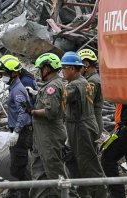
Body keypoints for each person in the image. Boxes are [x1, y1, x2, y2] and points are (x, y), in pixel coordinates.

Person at [29, 53, 76, 198]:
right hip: (42, 136)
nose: (39, 71)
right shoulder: (52, 85)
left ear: (48, 68)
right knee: (39, 171)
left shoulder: (53, 86)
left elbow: (51, 112)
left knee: (55, 172)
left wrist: (31, 111)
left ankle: (69, 196)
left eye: (41, 68)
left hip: (50, 136)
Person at [62, 51, 108, 198]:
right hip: (81, 125)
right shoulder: (85, 81)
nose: (62, 71)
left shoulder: (81, 84)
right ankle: (85, 193)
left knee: (88, 164)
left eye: (64, 68)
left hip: (82, 126)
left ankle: (99, 195)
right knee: (74, 160)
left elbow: (60, 99)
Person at [0, 55, 32, 198]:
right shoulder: (14, 88)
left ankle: (26, 194)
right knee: (18, 167)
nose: (1, 77)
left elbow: (24, 112)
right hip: (18, 131)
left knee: (19, 168)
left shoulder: (17, 90)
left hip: (21, 133)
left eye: (3, 74)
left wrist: (16, 132)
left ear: (14, 73)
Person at [78, 49, 103, 142]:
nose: (77, 69)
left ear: (86, 64)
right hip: (92, 122)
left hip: (91, 123)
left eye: (78, 66)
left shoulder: (92, 81)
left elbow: (86, 104)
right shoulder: (92, 79)